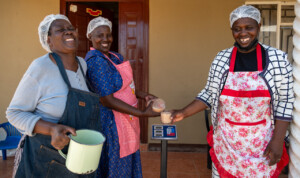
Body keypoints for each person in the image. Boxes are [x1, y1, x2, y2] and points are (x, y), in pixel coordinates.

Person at [171, 5, 294, 178]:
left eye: (249, 28)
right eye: (237, 29)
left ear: (258, 27)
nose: (243, 34)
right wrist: (183, 112)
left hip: (263, 145)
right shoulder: (221, 59)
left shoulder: (277, 59)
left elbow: (285, 101)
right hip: (227, 143)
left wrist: (278, 141)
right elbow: (209, 93)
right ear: (232, 31)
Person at [6, 14, 101, 177]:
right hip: (45, 160)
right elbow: (14, 113)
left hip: (79, 159)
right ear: (48, 39)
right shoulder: (41, 67)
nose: (68, 32)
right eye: (60, 30)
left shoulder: (82, 64)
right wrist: (52, 129)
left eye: (70, 28)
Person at [85, 16, 160, 177]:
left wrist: (143, 95)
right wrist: (142, 113)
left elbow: (126, 86)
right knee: (117, 165)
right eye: (99, 35)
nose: (105, 39)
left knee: (128, 159)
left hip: (126, 118)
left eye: (108, 34)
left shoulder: (114, 57)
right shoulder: (95, 61)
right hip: (111, 123)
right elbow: (107, 99)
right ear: (90, 37)